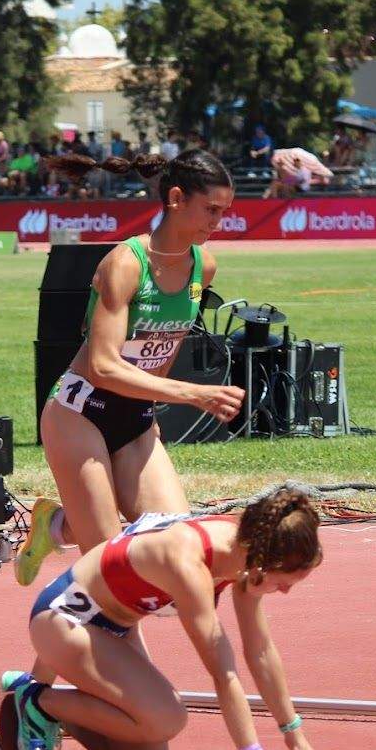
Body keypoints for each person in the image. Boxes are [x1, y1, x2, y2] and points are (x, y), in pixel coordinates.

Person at [14, 149, 245, 593]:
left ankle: (56, 524)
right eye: (211, 210)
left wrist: (151, 406)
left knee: (179, 550)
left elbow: (162, 345)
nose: (219, 222)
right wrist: (193, 393)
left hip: (135, 418)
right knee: (111, 570)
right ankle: (55, 634)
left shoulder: (204, 266)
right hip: (80, 414)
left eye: (224, 211)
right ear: (176, 198)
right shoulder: (125, 264)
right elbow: (103, 366)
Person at [6, 487, 329, 750]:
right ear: (260, 563)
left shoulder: (246, 550)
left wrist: (294, 734)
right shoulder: (188, 563)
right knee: (167, 718)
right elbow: (223, 674)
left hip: (110, 628)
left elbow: (260, 651)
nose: (285, 592)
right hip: (63, 621)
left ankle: (56, 706)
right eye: (283, 582)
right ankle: (38, 701)